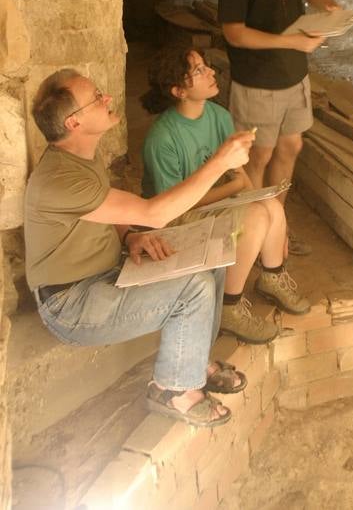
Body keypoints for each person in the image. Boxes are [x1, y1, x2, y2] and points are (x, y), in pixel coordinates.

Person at [24, 67, 254, 427]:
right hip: (71, 304)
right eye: (96, 98)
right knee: (193, 290)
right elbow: (155, 213)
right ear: (74, 122)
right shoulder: (61, 179)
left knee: (212, 255)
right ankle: (173, 389)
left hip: (102, 276)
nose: (107, 98)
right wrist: (220, 162)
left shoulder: (81, 157)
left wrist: (130, 237)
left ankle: (195, 363)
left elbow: (104, 210)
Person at [141, 46, 311, 345]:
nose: (211, 72)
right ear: (179, 90)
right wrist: (236, 192)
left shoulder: (218, 115)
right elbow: (170, 207)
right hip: (177, 217)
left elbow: (239, 174)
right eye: (198, 71)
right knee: (257, 216)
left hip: (217, 200)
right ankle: (228, 307)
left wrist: (262, 205)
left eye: (206, 66)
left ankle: (272, 275)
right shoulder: (162, 137)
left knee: (271, 205)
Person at [217, 0, 339, 254]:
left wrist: (329, 7)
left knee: (290, 148)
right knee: (257, 159)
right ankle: (247, 239)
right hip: (257, 79)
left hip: (294, 73)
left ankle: (276, 228)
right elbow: (233, 33)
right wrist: (290, 41)